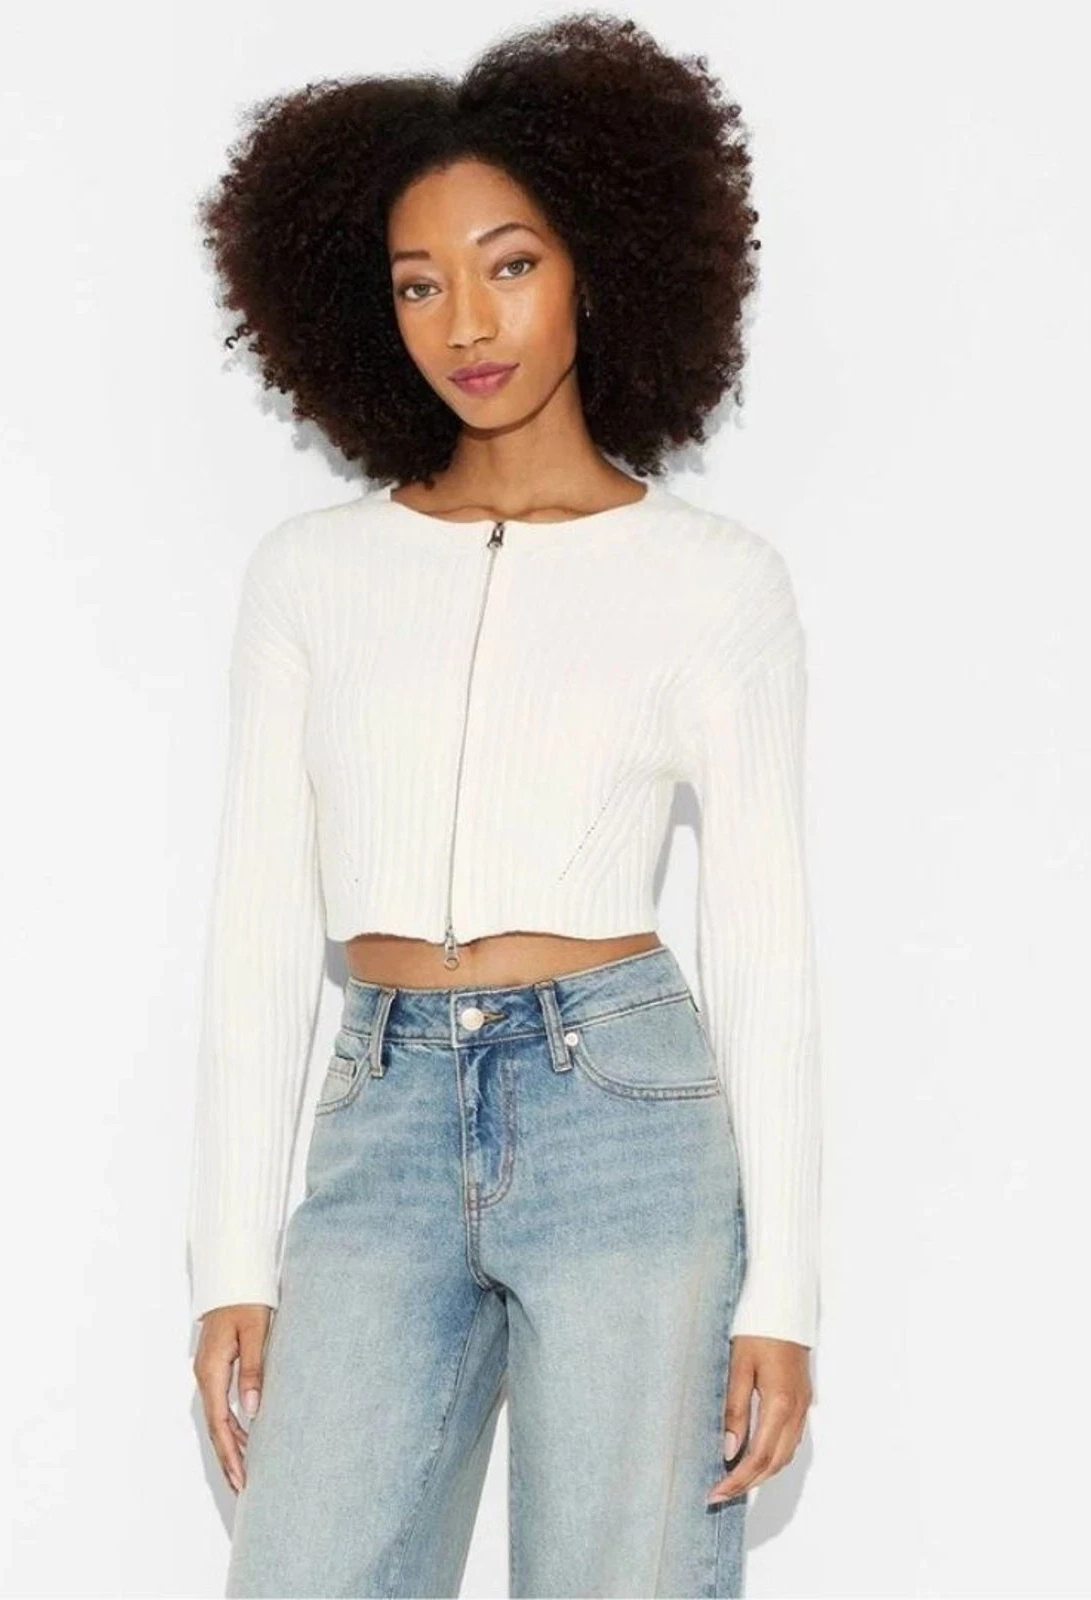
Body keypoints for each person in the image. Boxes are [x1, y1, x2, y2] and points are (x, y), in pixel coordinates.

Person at [185, 13, 821, 1596]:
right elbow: (260, 924)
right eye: (419, 283)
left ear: (601, 265)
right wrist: (230, 1259)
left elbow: (763, 942)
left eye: (510, 265)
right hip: (381, 1114)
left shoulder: (714, 582)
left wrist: (787, 1291)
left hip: (626, 1115)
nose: (466, 321)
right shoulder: (314, 574)